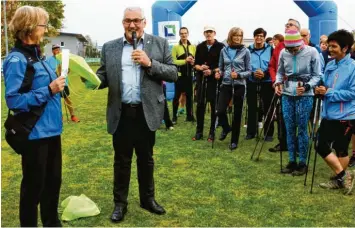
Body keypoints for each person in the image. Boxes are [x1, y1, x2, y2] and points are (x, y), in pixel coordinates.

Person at [95, 7, 177, 222]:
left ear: (144, 22)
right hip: (121, 112)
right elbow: (103, 74)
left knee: (146, 159)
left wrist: (150, 63)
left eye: (136, 21)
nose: (132, 25)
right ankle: (119, 204)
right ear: (122, 23)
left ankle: (147, 199)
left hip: (146, 112)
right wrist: (93, 80)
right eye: (127, 21)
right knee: (121, 161)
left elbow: (173, 73)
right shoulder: (110, 47)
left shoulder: (159, 43)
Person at [3, 6, 65, 226]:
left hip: (52, 131)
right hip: (34, 134)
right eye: (42, 24)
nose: (45, 28)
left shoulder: (40, 55)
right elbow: (14, 100)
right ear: (29, 27)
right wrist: (48, 90)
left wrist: (58, 86)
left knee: (53, 183)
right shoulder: (16, 60)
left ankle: (51, 223)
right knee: (33, 188)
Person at [274, 29, 321, 175]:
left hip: (305, 94)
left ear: (300, 43)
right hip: (287, 93)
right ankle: (291, 160)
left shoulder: (312, 51)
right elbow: (280, 72)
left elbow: (318, 75)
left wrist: (308, 86)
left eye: (295, 48)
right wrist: (277, 83)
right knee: (289, 127)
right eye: (289, 48)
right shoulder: (283, 52)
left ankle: (302, 163)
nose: (292, 51)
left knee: (301, 128)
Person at [314, 29, 355, 195]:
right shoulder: (330, 64)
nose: (329, 49)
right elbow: (326, 85)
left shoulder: (353, 67)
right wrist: (320, 90)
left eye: (333, 46)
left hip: (346, 115)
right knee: (320, 144)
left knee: (341, 149)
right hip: (328, 113)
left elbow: (352, 93)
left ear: (345, 48)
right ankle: (344, 176)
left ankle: (339, 179)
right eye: (329, 46)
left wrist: (329, 92)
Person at [215, 27, 251, 150]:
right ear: (231, 36)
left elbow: (249, 71)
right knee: (220, 110)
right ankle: (226, 128)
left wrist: (239, 75)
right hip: (226, 84)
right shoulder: (224, 50)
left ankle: (234, 140)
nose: (237, 37)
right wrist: (219, 72)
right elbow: (220, 67)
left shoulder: (245, 51)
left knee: (237, 114)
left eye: (239, 35)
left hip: (239, 85)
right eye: (235, 35)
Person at [268, 18, 301, 153]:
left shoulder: (304, 46)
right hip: (280, 86)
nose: (287, 26)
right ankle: (283, 142)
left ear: (298, 29)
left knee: (298, 116)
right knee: (282, 116)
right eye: (286, 25)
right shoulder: (279, 46)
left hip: (298, 87)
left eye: (291, 25)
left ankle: (297, 143)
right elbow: (272, 66)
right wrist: (276, 81)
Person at [193, 26, 224, 141]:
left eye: (210, 32)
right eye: (206, 32)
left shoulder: (221, 47)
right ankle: (199, 132)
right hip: (201, 80)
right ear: (204, 33)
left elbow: (223, 66)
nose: (208, 34)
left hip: (214, 81)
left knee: (214, 106)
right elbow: (195, 64)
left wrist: (212, 70)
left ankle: (212, 132)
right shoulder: (200, 47)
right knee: (200, 105)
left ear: (214, 33)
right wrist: (200, 67)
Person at [246, 28, 274, 141]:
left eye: (261, 36)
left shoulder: (270, 49)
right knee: (252, 106)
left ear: (264, 37)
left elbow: (273, 64)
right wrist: (253, 73)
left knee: (268, 107)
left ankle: (268, 133)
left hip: (266, 81)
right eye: (257, 36)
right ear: (254, 37)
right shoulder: (248, 49)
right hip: (252, 80)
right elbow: (245, 64)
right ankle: (251, 132)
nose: (259, 38)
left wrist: (264, 73)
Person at [46, 44, 80, 122]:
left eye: (58, 49)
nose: (57, 51)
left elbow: (68, 70)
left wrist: (65, 70)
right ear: (52, 51)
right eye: (55, 49)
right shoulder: (48, 61)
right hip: (54, 84)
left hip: (64, 82)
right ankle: (59, 116)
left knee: (68, 99)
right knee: (56, 100)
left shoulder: (64, 59)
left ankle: (73, 116)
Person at [171, 27, 196, 124]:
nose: (184, 35)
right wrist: (185, 61)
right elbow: (173, 61)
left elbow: (196, 60)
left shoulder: (193, 47)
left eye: (185, 33)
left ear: (188, 34)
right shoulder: (175, 47)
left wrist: (193, 62)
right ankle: (174, 117)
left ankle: (189, 116)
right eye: (182, 33)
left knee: (190, 97)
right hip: (179, 76)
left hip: (190, 76)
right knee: (176, 97)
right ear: (179, 35)